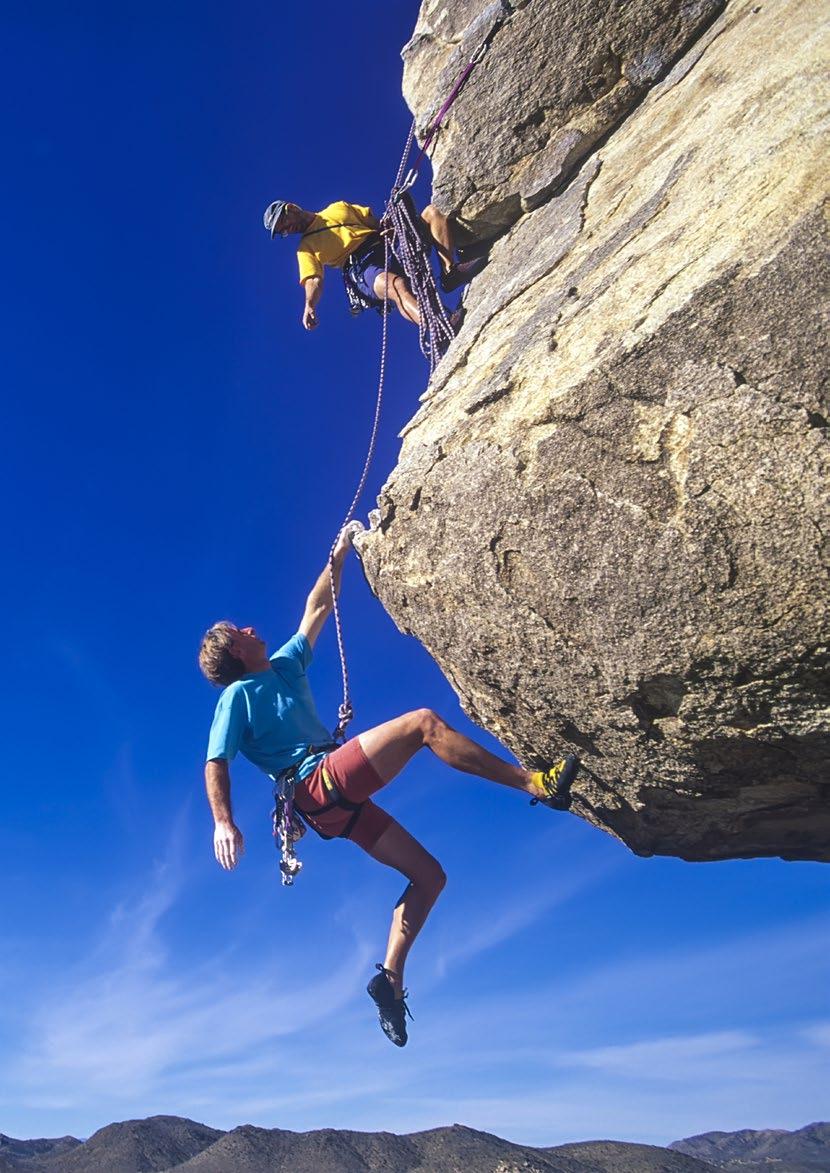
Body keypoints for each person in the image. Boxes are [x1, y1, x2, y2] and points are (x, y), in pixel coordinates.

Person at [198, 526, 579, 1047]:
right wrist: (223, 820)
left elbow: (316, 608)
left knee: (430, 877)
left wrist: (340, 554)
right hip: (315, 784)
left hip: (332, 807)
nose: (249, 627)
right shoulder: (237, 696)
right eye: (238, 631)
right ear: (236, 651)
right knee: (423, 724)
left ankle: (392, 981)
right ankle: (535, 782)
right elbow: (215, 761)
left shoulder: (283, 666)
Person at [262, 198, 487, 332]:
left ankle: (450, 272)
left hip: (385, 243)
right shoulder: (305, 248)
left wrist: (385, 228)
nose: (286, 231)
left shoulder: (338, 208)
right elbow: (313, 279)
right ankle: (439, 326)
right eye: (282, 232)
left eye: (283, 225)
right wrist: (309, 305)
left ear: (291, 208)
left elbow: (373, 222)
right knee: (395, 285)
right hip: (361, 267)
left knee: (432, 214)